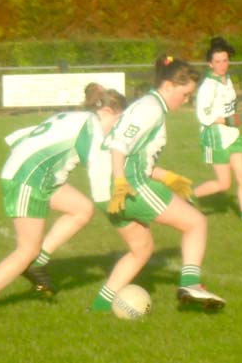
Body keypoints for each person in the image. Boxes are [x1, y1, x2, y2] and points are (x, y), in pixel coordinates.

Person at [0, 87, 128, 310]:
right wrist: (116, 205)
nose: (116, 130)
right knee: (26, 249)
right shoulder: (91, 128)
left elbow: (19, 137)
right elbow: (99, 172)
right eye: (118, 122)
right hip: (28, 179)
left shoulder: (74, 116)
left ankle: (37, 264)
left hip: (40, 177)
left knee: (81, 209)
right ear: (107, 111)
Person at [90, 55, 226, 311]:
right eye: (185, 94)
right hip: (128, 186)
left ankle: (98, 308)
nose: (186, 100)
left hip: (105, 191)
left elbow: (136, 155)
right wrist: (121, 183)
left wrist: (167, 177)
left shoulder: (150, 107)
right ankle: (191, 284)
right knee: (196, 223)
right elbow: (118, 147)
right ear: (168, 86)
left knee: (141, 249)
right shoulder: (150, 108)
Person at [192, 37, 242, 221]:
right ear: (210, 64)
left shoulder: (228, 80)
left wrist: (237, 113)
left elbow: (230, 107)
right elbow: (203, 115)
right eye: (217, 61)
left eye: (225, 60)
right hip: (215, 137)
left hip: (233, 135)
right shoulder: (208, 86)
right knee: (224, 184)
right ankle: (188, 196)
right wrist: (227, 120)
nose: (222, 65)